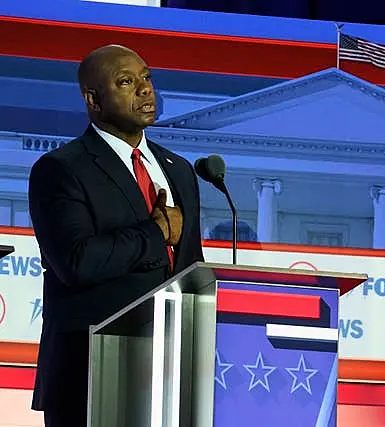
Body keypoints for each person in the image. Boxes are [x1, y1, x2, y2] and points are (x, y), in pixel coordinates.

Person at [28, 44, 204, 426]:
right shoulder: (61, 169)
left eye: (146, 78)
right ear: (93, 100)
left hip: (173, 375)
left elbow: (192, 271)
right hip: (92, 372)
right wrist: (156, 233)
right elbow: (76, 263)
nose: (145, 90)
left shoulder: (180, 170)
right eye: (126, 82)